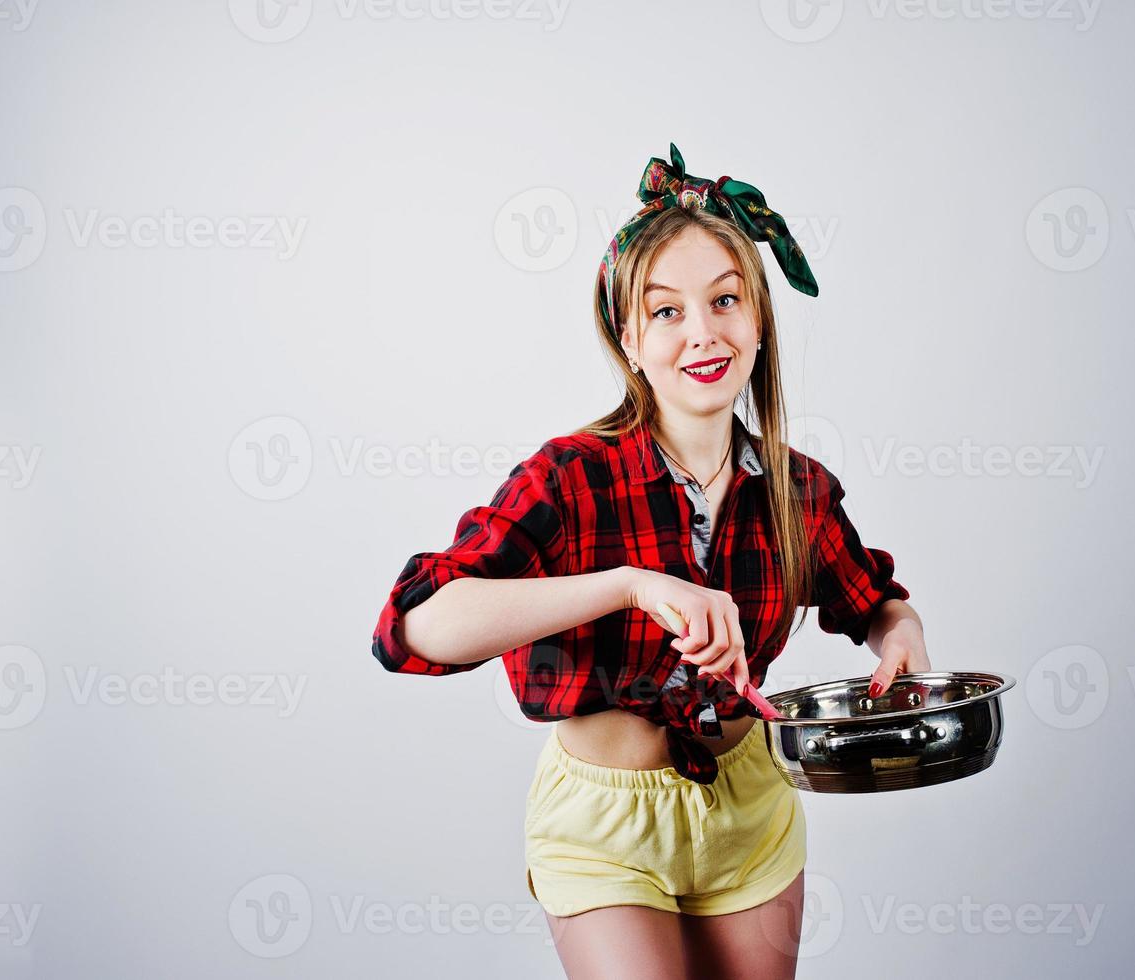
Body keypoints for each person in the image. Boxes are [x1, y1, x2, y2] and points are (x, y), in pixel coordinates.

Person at [371, 143, 930, 980]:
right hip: (604, 824)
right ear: (628, 338)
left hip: (751, 808)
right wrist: (630, 586)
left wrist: (902, 631)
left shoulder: (798, 490)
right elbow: (413, 627)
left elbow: (872, 600)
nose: (701, 332)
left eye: (725, 301)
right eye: (666, 312)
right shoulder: (568, 477)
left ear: (757, 319)